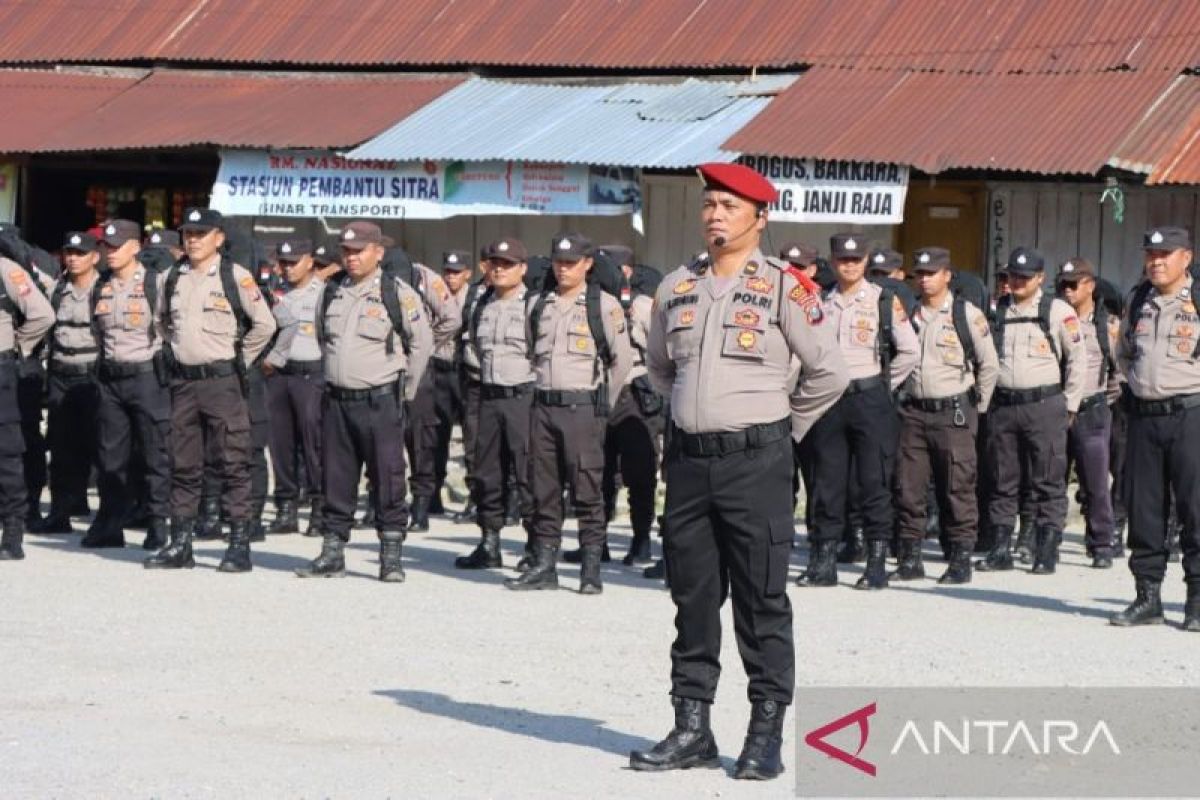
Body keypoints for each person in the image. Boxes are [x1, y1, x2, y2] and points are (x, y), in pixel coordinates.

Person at [631, 162, 847, 779]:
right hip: (691, 464)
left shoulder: (787, 286)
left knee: (761, 598)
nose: (716, 215)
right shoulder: (677, 287)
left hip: (758, 462)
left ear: (760, 217)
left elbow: (828, 373)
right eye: (710, 205)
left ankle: (765, 733)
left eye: (729, 206)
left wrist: (781, 428)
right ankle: (692, 727)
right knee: (693, 597)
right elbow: (659, 368)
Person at [295, 221, 433, 582]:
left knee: (387, 478)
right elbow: (325, 340)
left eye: (359, 251)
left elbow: (421, 346)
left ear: (378, 252)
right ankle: (332, 550)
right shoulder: (331, 291)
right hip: (338, 401)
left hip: (380, 399)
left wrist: (404, 393)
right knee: (335, 478)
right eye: (346, 251)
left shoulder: (397, 293)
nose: (351, 258)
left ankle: (390, 555)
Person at [144, 208, 277, 572]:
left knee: (234, 463)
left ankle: (238, 544)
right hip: (184, 383)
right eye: (188, 233)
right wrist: (177, 351)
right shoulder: (172, 277)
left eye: (201, 234)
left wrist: (239, 361)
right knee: (183, 464)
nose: (193, 240)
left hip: (223, 383)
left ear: (219, 238)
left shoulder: (235, 276)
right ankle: (181, 543)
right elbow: (160, 322)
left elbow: (264, 325)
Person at [504, 233, 631, 594]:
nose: (563, 269)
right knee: (542, 490)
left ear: (587, 264)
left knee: (587, 488)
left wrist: (601, 405)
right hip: (543, 405)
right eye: (558, 262)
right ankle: (545, 564)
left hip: (582, 408)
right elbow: (532, 351)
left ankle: (591, 568)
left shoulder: (603, 306)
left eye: (571, 262)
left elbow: (620, 363)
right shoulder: (538, 304)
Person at [795, 232, 919, 590]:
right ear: (832, 262)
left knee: (874, 482)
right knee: (826, 483)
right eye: (842, 260)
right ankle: (824, 561)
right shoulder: (818, 300)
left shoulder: (884, 300)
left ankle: (877, 561)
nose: (849, 266)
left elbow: (909, 351)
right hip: (829, 401)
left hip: (869, 398)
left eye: (856, 260)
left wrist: (882, 385)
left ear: (866, 261)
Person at [1111, 227, 1200, 630]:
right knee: (1144, 509)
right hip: (1145, 416)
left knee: (1195, 510)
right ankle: (1147, 597)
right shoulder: (1138, 298)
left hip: (1190, 415)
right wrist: (1139, 384)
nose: (1156, 261)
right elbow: (1124, 352)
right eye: (1151, 254)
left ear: (1187, 257)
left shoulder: (1197, 300)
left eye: (1165, 254)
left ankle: (1197, 600)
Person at [977, 247, 1085, 575]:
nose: (1018, 282)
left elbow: (1078, 359)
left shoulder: (1057, 311)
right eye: (1013, 276)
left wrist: (1070, 404)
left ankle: (1046, 550)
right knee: (1002, 480)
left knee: (1048, 480)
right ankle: (999, 549)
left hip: (1045, 405)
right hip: (1004, 406)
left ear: (1040, 278)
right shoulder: (995, 311)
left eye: (1025, 277)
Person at [892, 247, 998, 582]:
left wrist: (975, 410)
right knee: (909, 487)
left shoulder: (966, 314)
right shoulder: (907, 313)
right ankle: (910, 558)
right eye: (919, 274)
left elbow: (989, 366)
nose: (924, 280)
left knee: (958, 487)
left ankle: (960, 558)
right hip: (914, 412)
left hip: (954, 412)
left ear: (947, 275)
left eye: (931, 273)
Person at [91, 220, 172, 552]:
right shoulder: (102, 286)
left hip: (147, 377)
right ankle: (111, 523)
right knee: (110, 456)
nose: (110, 252)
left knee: (155, 454)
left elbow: (170, 327)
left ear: (135, 247)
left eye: (117, 246)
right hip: (111, 378)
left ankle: (158, 524)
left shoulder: (157, 283)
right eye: (107, 246)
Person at [455, 238, 534, 570]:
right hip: (487, 397)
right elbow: (474, 346)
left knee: (530, 474)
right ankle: (490, 542)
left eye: (508, 264)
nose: (499, 269)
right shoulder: (479, 305)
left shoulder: (535, 305)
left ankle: (536, 546)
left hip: (523, 398)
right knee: (487, 473)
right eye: (494, 263)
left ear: (522, 268)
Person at [596, 244, 663, 566]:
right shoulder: (594, 301)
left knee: (640, 473)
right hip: (600, 392)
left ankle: (641, 540)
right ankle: (598, 541)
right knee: (599, 473)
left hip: (636, 395)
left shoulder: (642, 306)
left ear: (625, 271)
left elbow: (663, 349)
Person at [36, 232, 102, 538]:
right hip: (62, 374)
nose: (73, 258)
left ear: (94, 257)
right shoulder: (58, 289)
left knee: (101, 445)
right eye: (69, 252)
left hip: (93, 375)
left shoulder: (105, 289)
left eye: (80, 253)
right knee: (61, 446)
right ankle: (61, 509)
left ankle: (105, 512)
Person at [1057, 258, 1121, 569]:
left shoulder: (1107, 326)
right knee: (1051, 481)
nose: (1067, 290)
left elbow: (1118, 373)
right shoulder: (1053, 319)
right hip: (1058, 409)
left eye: (1073, 284)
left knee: (1095, 483)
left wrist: (1100, 402)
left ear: (1090, 286)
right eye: (1063, 284)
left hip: (1092, 410)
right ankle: (1046, 542)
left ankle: (1101, 544)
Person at [393, 250, 461, 531]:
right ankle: (382, 503)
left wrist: (424, 344)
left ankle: (422, 504)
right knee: (384, 439)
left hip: (420, 369)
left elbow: (451, 318)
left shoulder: (423, 276)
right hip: (383, 367)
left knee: (421, 438)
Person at [264, 239, 325, 536]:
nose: (287, 268)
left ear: (310, 261)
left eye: (294, 262)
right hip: (278, 374)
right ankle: (286, 507)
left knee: (314, 445)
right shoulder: (275, 294)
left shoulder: (324, 294)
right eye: (284, 262)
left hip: (311, 375)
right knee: (280, 444)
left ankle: (319, 507)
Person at [0, 242, 55, 560]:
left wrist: (19, 349)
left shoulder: (7, 269)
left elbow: (42, 315)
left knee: (7, 456)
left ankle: (12, 531)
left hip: (3, 370)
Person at [430, 250, 472, 518]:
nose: (450, 276)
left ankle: (475, 498)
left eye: (456, 272)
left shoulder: (476, 296)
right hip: (439, 370)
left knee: (473, 438)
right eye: (447, 271)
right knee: (436, 437)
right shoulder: (435, 296)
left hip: (465, 373)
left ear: (467, 273)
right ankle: (432, 496)